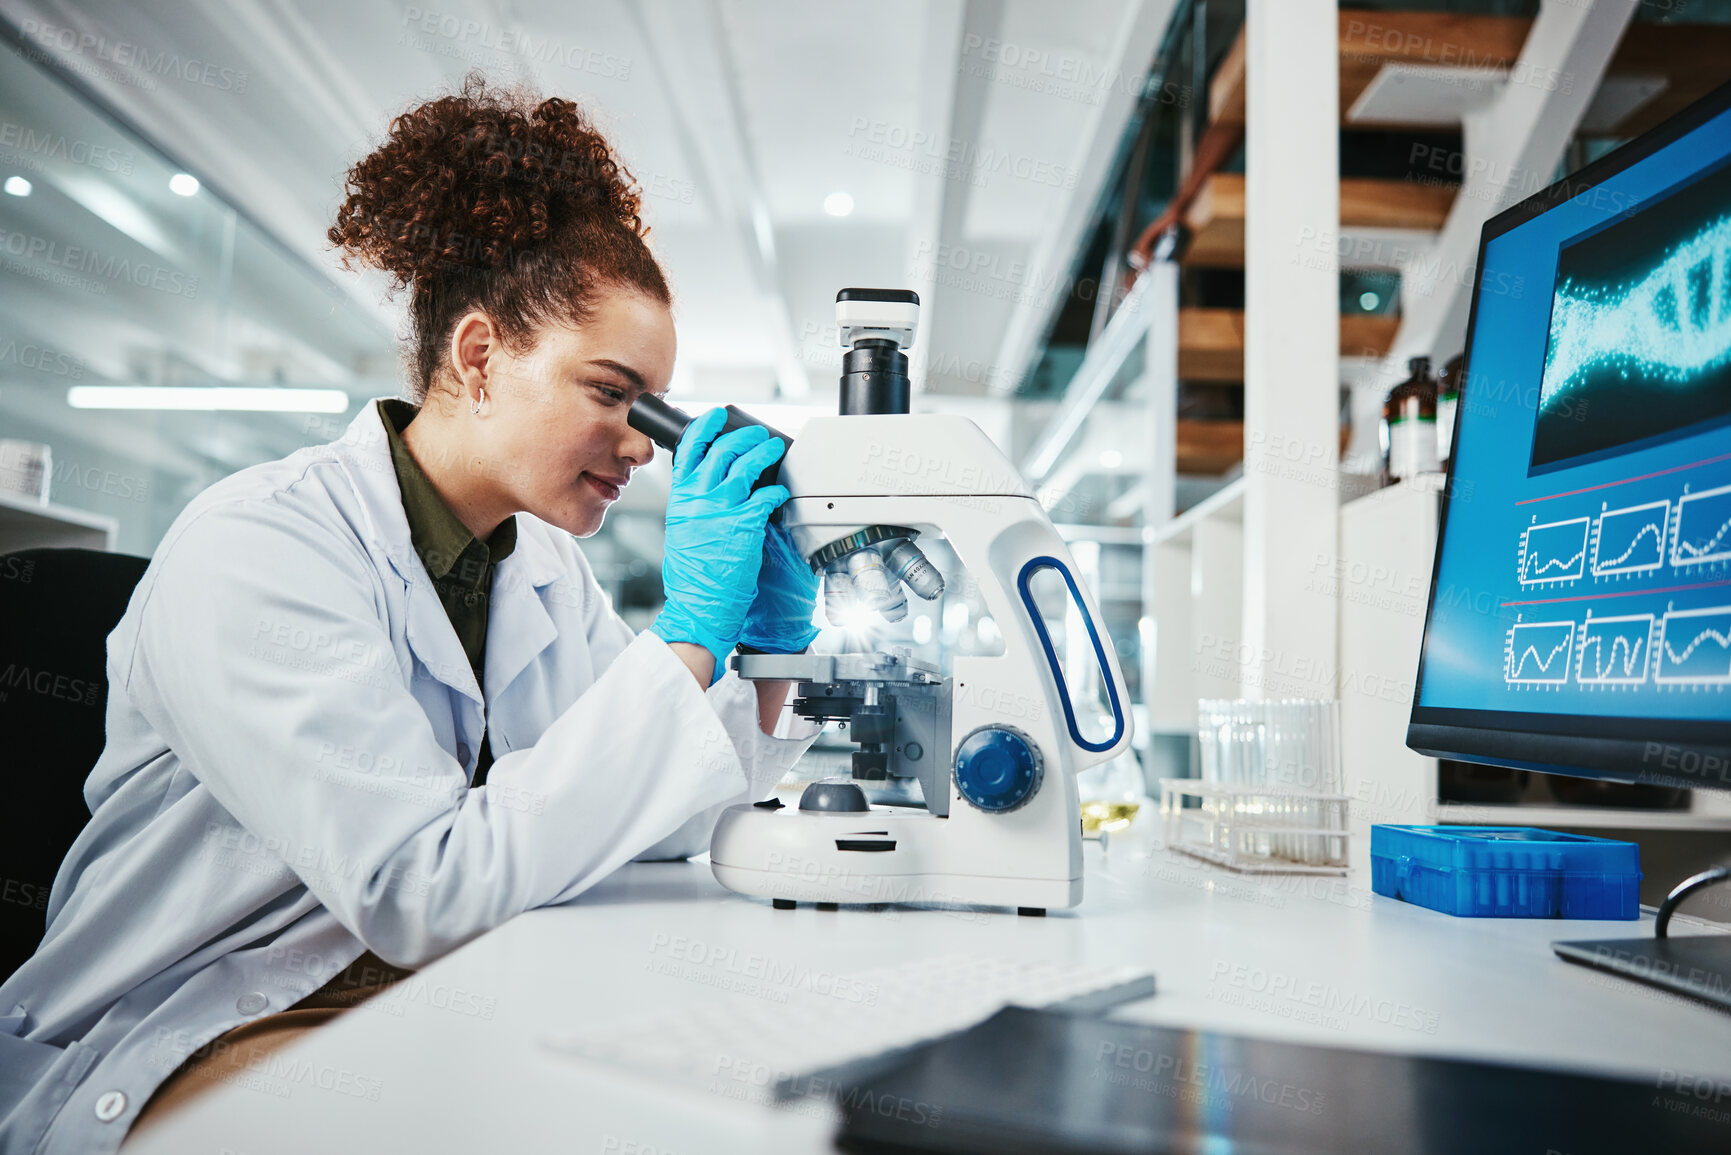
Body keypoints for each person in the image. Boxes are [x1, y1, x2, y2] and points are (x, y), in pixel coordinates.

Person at [0, 78, 822, 1155]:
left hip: (425, 986)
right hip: (201, 1021)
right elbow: (417, 888)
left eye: (652, 410)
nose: (641, 444)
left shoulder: (537, 571)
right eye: (615, 394)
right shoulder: (258, 546)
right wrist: (685, 636)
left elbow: (658, 822)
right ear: (478, 357)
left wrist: (763, 653)